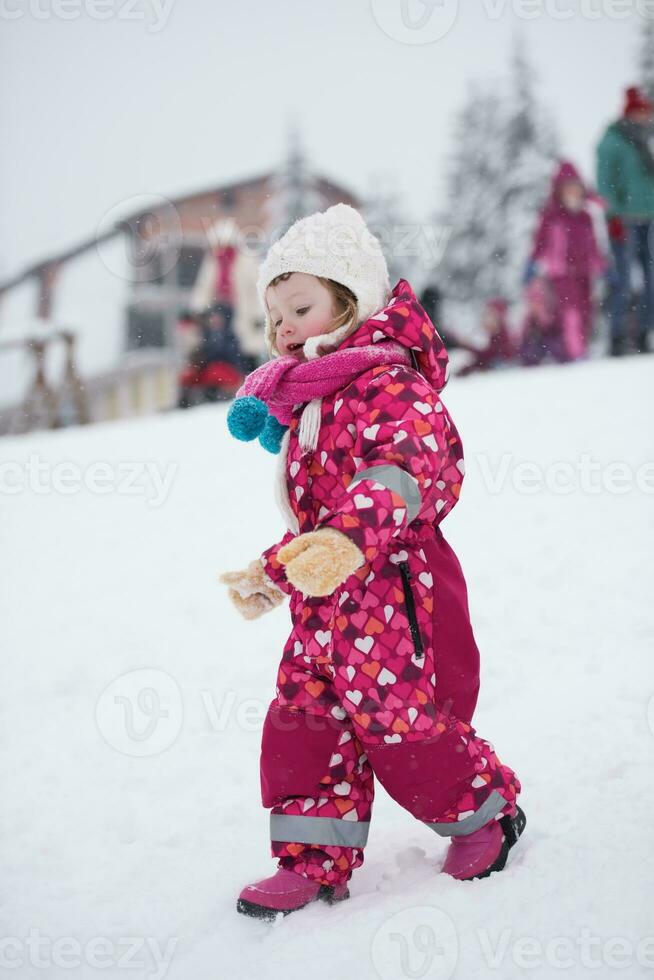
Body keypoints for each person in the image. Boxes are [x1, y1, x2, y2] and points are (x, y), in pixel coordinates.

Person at [218, 204, 525, 920]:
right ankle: (313, 859)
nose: (285, 326)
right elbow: (315, 514)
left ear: (350, 302)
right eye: (275, 316)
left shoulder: (389, 384)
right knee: (304, 721)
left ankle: (485, 813)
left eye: (301, 306)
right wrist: (276, 570)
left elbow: (412, 467)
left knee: (399, 719)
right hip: (322, 602)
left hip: (390, 587)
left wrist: (350, 540)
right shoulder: (314, 397)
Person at [524, 161, 605, 362]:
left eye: (575, 188)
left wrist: (602, 267)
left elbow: (593, 245)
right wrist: (532, 263)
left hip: (584, 272)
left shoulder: (585, 217)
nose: (571, 193)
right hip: (561, 273)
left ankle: (580, 348)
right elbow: (539, 242)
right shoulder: (552, 216)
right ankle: (575, 352)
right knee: (571, 312)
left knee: (587, 310)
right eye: (567, 189)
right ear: (559, 191)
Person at [597, 86, 654, 355]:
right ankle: (617, 337)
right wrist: (613, 215)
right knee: (622, 278)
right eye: (641, 112)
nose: (645, 118)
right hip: (625, 220)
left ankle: (645, 333)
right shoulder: (614, 141)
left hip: (649, 217)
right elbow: (606, 182)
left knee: (650, 278)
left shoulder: (647, 141)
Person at [455, 298, 516, 376]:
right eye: (486, 315)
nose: (486, 319)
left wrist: (469, 347)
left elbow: (488, 357)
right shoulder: (494, 334)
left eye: (490, 315)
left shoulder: (502, 335)